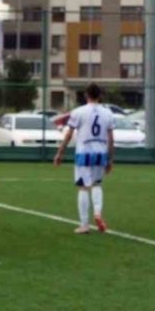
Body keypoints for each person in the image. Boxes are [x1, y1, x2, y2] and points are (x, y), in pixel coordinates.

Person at [53, 83, 115, 234]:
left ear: (86, 95)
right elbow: (111, 139)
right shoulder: (108, 113)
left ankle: (84, 224)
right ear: (100, 96)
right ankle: (98, 213)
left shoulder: (78, 112)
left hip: (84, 153)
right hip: (100, 153)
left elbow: (69, 134)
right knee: (97, 184)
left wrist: (60, 153)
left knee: (83, 187)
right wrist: (110, 159)